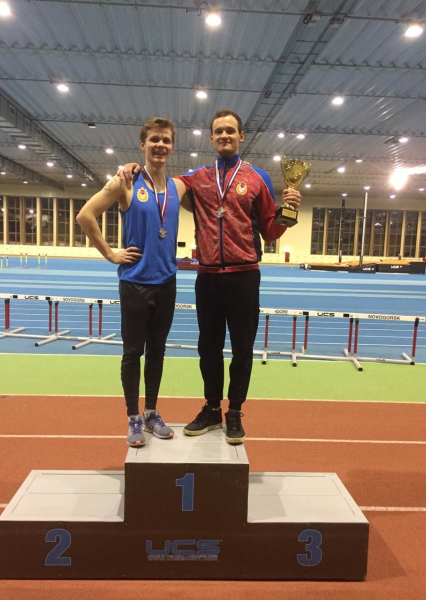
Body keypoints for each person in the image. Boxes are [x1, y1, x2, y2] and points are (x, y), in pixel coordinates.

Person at [120, 109, 301, 445]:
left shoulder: (258, 177)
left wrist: (288, 213)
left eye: (230, 131)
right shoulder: (197, 178)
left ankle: (235, 413)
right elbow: (159, 177)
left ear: (241, 136)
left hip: (244, 275)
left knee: (243, 348)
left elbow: (270, 232)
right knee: (209, 348)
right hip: (208, 278)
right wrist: (133, 167)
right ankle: (212, 409)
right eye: (219, 131)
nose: (224, 136)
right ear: (211, 138)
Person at [77, 117, 189, 448]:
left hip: (167, 283)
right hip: (135, 283)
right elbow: (85, 215)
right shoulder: (126, 181)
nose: (160, 145)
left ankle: (151, 412)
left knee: (157, 352)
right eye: (154, 139)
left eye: (166, 140)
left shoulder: (179, 187)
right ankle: (133, 418)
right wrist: (111, 254)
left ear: (172, 146)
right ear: (143, 144)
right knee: (132, 352)